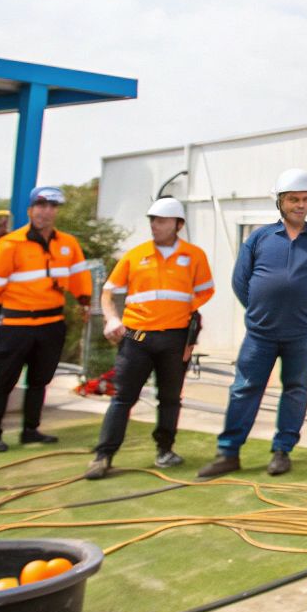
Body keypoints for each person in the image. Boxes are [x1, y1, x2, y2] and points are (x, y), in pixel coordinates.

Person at [196, 168, 307, 480]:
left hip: (303, 335)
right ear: (280, 202)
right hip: (260, 334)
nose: (300, 205)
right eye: (293, 199)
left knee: (296, 389)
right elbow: (240, 282)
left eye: (305, 199)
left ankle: (282, 451)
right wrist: (262, 311)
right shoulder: (259, 238)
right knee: (245, 388)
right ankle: (228, 453)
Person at [85, 197, 214, 479]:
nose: (155, 225)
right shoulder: (135, 255)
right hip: (136, 340)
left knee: (170, 398)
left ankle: (165, 451)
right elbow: (108, 292)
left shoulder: (195, 256)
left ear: (178, 224)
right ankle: (103, 455)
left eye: (162, 221)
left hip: (175, 340)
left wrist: (184, 311)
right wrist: (112, 319)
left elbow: (206, 290)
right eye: (153, 220)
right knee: (122, 398)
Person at [0, 185, 92, 453]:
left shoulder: (68, 244)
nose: (46, 211)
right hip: (16, 325)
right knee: (4, 380)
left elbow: (79, 277)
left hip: (51, 324)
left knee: (40, 380)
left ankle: (31, 430)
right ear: (30, 210)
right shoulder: (10, 244)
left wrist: (85, 301)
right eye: (41, 206)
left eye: (52, 206)